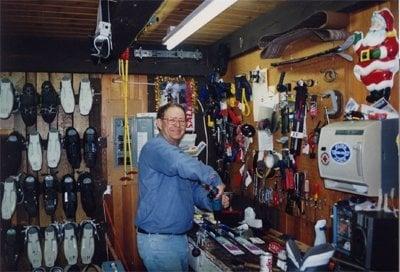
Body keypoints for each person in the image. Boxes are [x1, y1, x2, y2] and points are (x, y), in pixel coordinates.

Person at [136, 102, 229, 272]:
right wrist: (214, 179)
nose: (177, 125)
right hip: (159, 241)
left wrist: (213, 198)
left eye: (181, 121)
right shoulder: (155, 149)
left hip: (177, 240)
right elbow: (181, 163)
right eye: (171, 120)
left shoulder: (177, 156)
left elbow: (193, 191)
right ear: (159, 123)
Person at [353, 8, 399, 103]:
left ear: (384, 24)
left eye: (377, 22)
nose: (374, 24)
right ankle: (374, 94)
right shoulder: (368, 38)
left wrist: (372, 54)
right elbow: (360, 52)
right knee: (366, 77)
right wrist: (357, 42)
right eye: (373, 22)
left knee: (382, 77)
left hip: (382, 65)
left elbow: (391, 48)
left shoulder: (388, 36)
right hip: (367, 67)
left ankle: (384, 94)